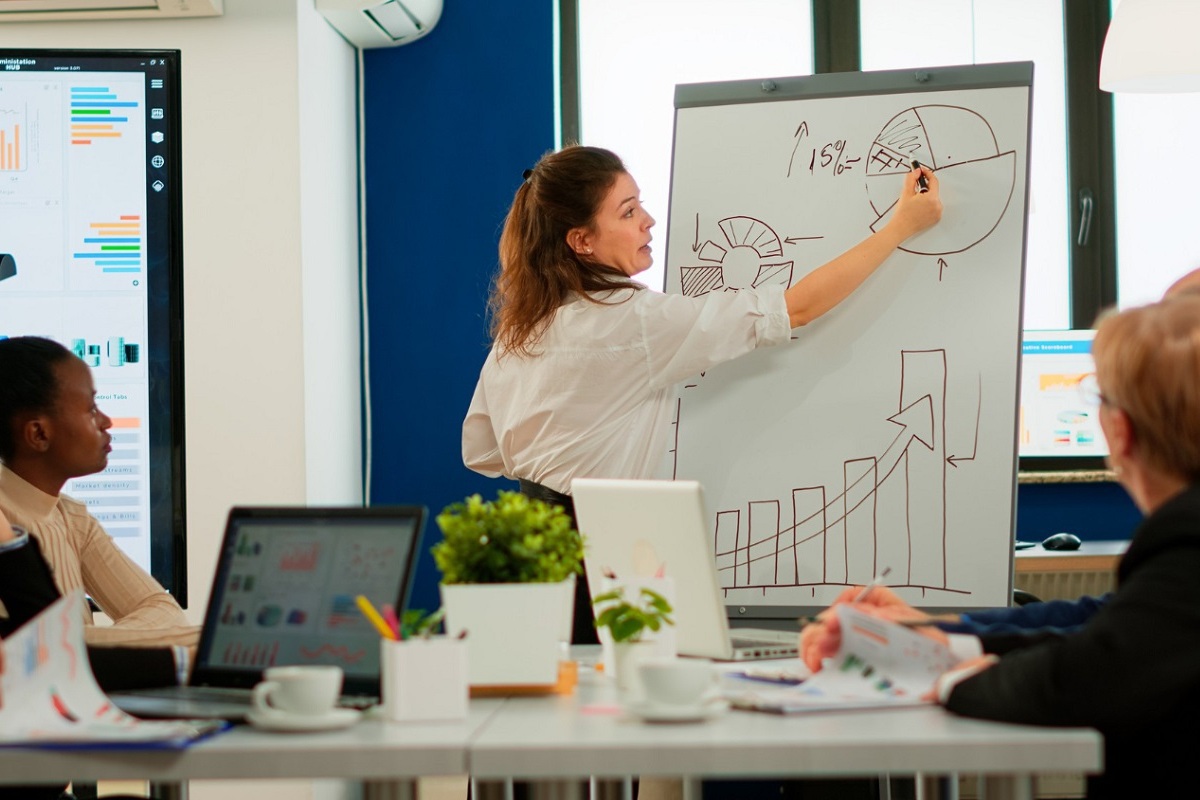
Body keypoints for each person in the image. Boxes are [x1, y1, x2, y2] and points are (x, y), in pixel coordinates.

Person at [463, 144, 943, 644]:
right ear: (581, 241)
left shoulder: (521, 331)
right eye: (628, 212)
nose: (648, 221)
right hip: (595, 555)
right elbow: (795, 309)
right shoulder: (633, 321)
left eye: (640, 203)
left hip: (528, 559)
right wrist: (900, 227)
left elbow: (482, 452)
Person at [805, 291, 1200, 799]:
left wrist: (950, 680)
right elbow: (1105, 629)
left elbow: (1085, 676)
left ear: (1118, 431)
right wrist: (939, 639)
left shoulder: (1185, 542)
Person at [0, 336, 198, 649]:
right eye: (91, 408)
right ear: (38, 433)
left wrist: (81, 644)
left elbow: (162, 610)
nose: (106, 421)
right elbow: (38, 651)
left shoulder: (73, 519)